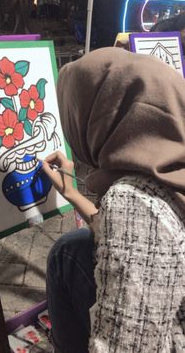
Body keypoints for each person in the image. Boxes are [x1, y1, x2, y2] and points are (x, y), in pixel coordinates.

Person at [42, 47, 185, 353]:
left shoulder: (135, 201)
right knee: (77, 244)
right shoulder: (174, 163)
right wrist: (72, 194)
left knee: (65, 255)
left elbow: (130, 345)